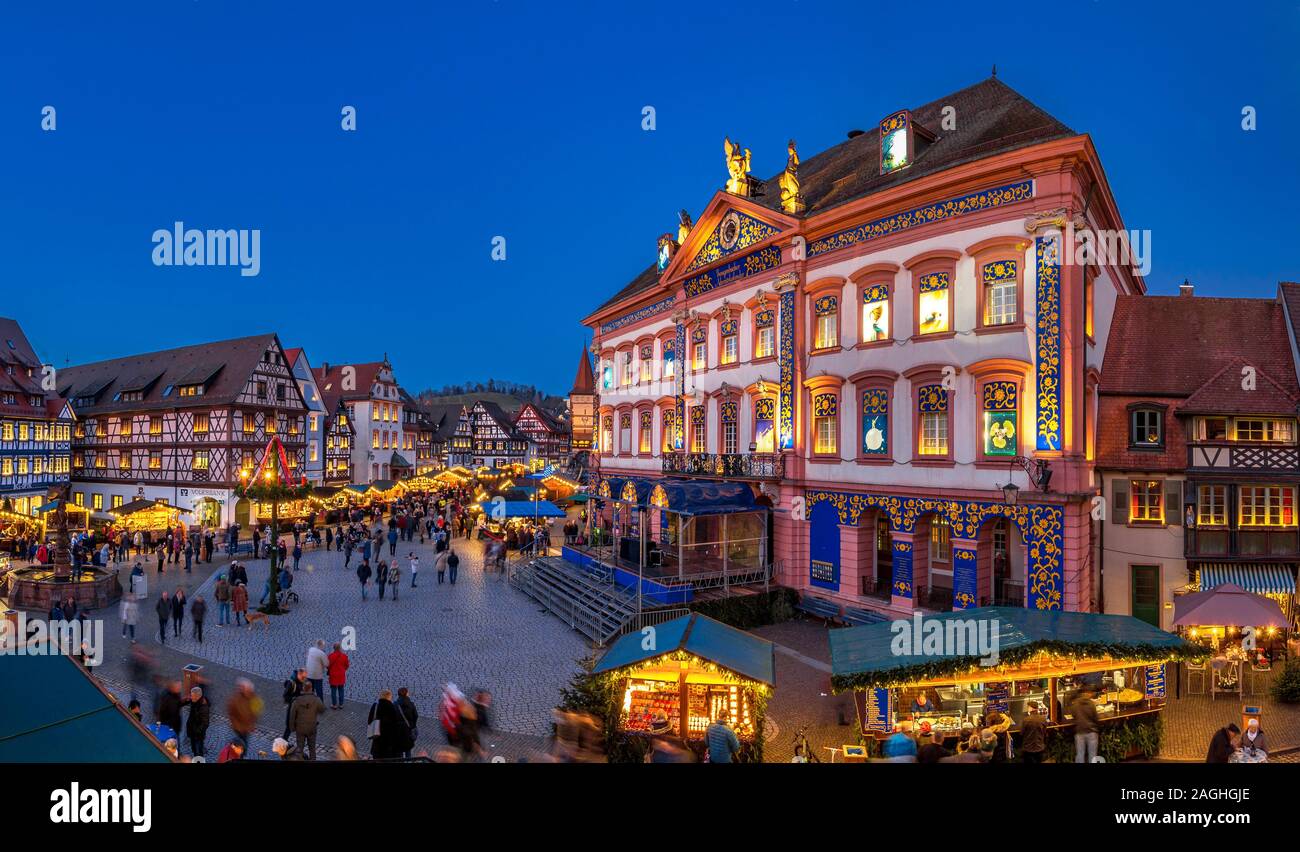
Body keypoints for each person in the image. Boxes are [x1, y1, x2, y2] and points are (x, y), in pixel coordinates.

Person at [368, 689, 409, 760]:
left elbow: (369, 722)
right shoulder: (395, 708)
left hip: (378, 742)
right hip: (391, 746)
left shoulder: (375, 707)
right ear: (390, 697)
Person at [289, 682, 326, 760]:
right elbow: (322, 709)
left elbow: (291, 715)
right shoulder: (316, 699)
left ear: (303, 688)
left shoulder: (297, 701)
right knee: (312, 749)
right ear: (311, 688)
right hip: (312, 727)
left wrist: (292, 727)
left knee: (300, 749)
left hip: (300, 728)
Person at [227, 678, 261, 751]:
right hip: (238, 727)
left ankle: (242, 752)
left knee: (244, 741)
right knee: (240, 741)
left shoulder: (253, 698)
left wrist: (252, 724)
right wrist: (235, 723)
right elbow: (231, 711)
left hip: (246, 728)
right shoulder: (236, 698)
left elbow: (255, 713)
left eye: (245, 688)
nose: (241, 689)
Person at [1071, 687, 1100, 763]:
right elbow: (1095, 718)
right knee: (1093, 755)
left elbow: (1073, 714)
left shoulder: (1076, 703)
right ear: (1087, 693)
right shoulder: (1091, 704)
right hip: (1091, 731)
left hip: (1079, 732)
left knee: (1080, 755)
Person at [180, 686, 211, 759]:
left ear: (198, 696)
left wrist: (196, 732)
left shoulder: (203, 708)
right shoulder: (195, 700)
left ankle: (199, 759)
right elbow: (184, 702)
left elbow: (205, 723)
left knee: (198, 750)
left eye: (192, 696)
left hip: (197, 735)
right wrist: (184, 700)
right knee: (194, 748)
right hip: (192, 730)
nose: (191, 697)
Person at [396, 687, 419, 758]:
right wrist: (413, 725)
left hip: (398, 730)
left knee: (399, 750)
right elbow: (416, 715)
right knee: (408, 749)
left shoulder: (395, 705)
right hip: (409, 729)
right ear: (406, 694)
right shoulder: (411, 704)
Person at [327, 642, 349, 709]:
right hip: (341, 675)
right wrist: (343, 670)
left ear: (333, 648)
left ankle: (334, 704)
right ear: (340, 648)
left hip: (333, 675)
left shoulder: (330, 656)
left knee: (333, 690)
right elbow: (347, 665)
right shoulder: (344, 656)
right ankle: (341, 704)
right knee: (341, 689)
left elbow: (328, 665)